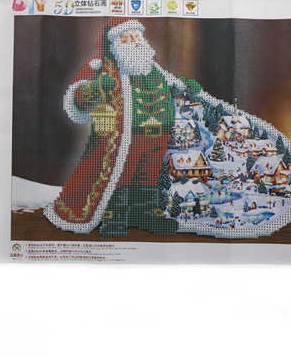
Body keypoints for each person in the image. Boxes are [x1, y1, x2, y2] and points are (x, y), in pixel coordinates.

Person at [44, 18, 202, 236]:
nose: (135, 41)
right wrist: (97, 87)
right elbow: (77, 100)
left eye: (137, 36)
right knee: (123, 175)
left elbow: (172, 86)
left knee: (149, 176)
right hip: (124, 137)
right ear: (115, 42)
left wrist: (187, 89)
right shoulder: (103, 67)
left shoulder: (152, 66)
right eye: (128, 37)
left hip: (157, 136)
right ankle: (115, 217)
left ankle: (146, 214)